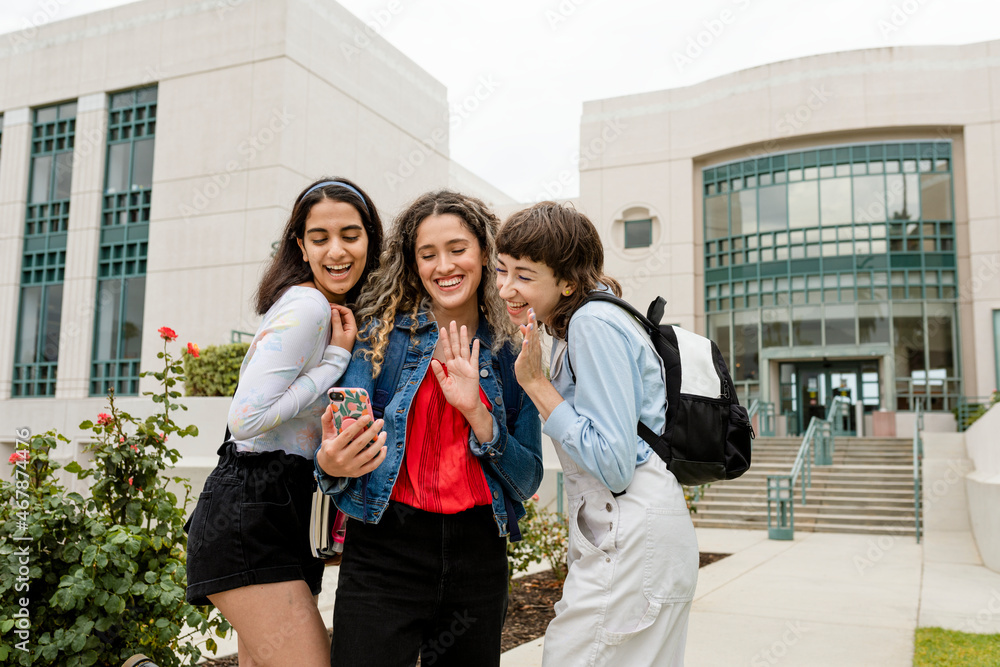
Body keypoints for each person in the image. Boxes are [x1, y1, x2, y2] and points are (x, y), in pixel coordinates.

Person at [314, 190, 544, 667]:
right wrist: (329, 464)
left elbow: (528, 481)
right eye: (427, 254)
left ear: (484, 252)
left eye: (457, 249)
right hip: (385, 548)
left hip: (478, 554)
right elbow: (340, 455)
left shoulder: (510, 350)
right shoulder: (377, 336)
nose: (444, 266)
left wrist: (479, 416)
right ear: (412, 262)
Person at [184, 178, 387, 667]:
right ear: (301, 245)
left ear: (370, 241)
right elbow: (247, 417)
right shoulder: (308, 306)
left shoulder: (326, 306)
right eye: (320, 238)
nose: (336, 251)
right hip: (250, 513)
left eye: (350, 235)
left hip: (280, 510)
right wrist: (332, 363)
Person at [495, 202, 698, 666]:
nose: (507, 287)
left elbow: (613, 462)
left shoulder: (592, 323)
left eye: (525, 276)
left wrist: (537, 385)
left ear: (567, 280)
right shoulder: (582, 322)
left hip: (630, 544)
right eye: (502, 270)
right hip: (636, 542)